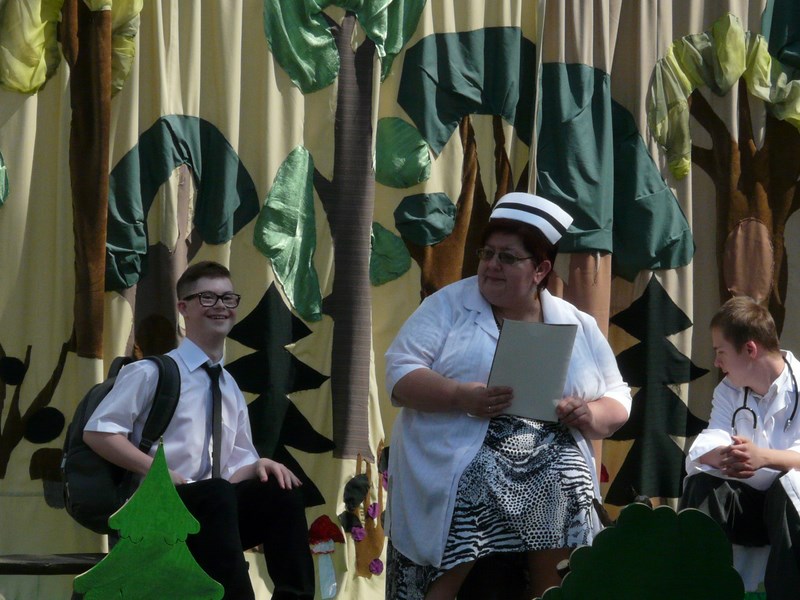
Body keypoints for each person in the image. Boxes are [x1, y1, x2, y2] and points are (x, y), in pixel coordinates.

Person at [384, 192, 632, 599]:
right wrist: (459, 396)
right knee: (478, 478)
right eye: (487, 254)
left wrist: (589, 413)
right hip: (461, 449)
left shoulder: (574, 322)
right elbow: (400, 372)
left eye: (508, 257)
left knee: (566, 475)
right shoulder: (448, 306)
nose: (492, 265)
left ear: (541, 269)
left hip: (549, 454)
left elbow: (618, 394)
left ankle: (551, 592)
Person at [84, 261, 315, 600]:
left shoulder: (229, 386)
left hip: (213, 512)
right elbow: (99, 432)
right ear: (184, 308)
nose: (220, 306)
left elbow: (234, 469)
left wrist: (259, 465)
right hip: (157, 512)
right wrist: (159, 471)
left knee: (282, 491)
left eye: (228, 298)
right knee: (216, 493)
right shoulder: (152, 372)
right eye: (207, 297)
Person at [681, 296, 800, 599]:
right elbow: (712, 437)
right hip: (750, 507)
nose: (716, 362)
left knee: (788, 486)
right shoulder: (728, 391)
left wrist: (763, 458)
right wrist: (727, 456)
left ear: (750, 349)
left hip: (791, 512)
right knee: (702, 484)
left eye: (720, 352)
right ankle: (695, 591)